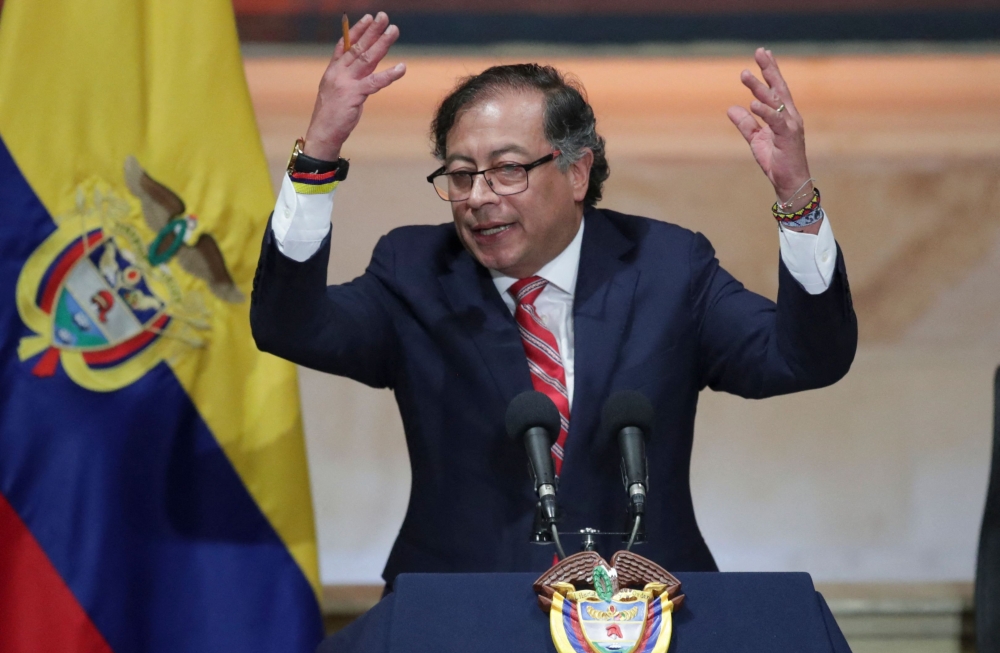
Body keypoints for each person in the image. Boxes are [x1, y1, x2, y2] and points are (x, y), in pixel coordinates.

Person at [250, 12, 857, 587]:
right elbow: (290, 325)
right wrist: (318, 158)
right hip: (457, 618)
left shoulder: (668, 267)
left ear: (576, 173)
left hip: (647, 614)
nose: (479, 197)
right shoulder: (415, 272)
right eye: (460, 175)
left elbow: (804, 358)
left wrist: (797, 200)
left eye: (507, 170)